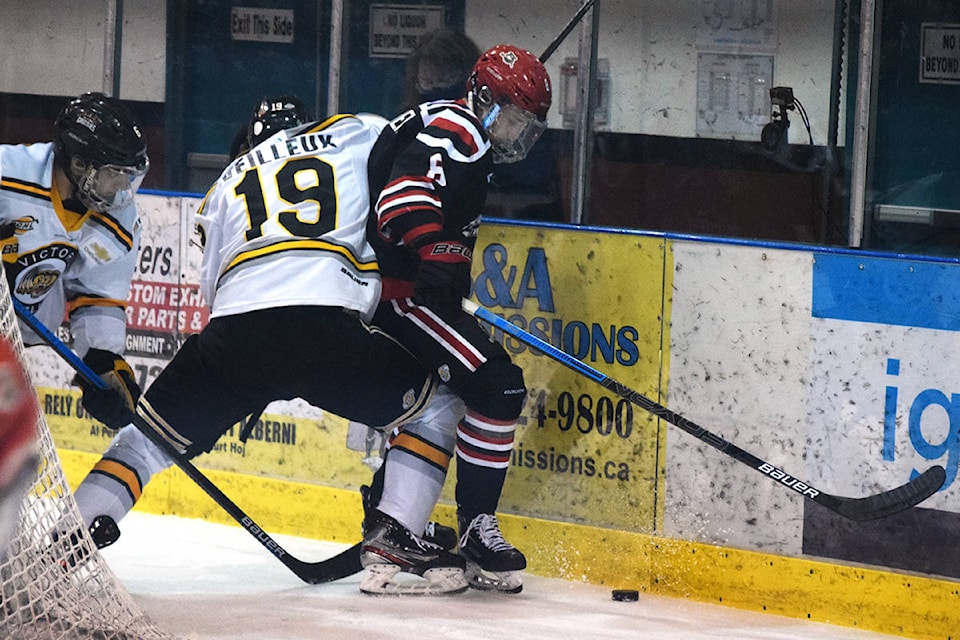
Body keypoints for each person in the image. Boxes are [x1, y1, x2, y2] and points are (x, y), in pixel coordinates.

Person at [72, 96, 468, 595]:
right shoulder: (351, 132)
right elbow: (413, 154)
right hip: (325, 327)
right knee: (436, 408)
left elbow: (215, 293)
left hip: (236, 335)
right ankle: (397, 531)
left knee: (145, 442)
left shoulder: (225, 184)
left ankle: (64, 539)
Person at [362, 44, 552, 594]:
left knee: (448, 401)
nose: (518, 133)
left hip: (407, 293)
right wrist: (438, 250)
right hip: (403, 296)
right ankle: (475, 529)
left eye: (527, 124)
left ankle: (393, 524)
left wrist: (440, 257)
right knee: (497, 386)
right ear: (486, 98)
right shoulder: (461, 130)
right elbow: (399, 200)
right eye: (514, 117)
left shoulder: (452, 125)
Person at [0, 92, 149, 434]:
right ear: (80, 165)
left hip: (12, 344)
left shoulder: (119, 222)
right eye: (115, 173)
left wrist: (103, 362)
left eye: (131, 173)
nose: (125, 185)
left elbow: (98, 296)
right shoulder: (7, 175)